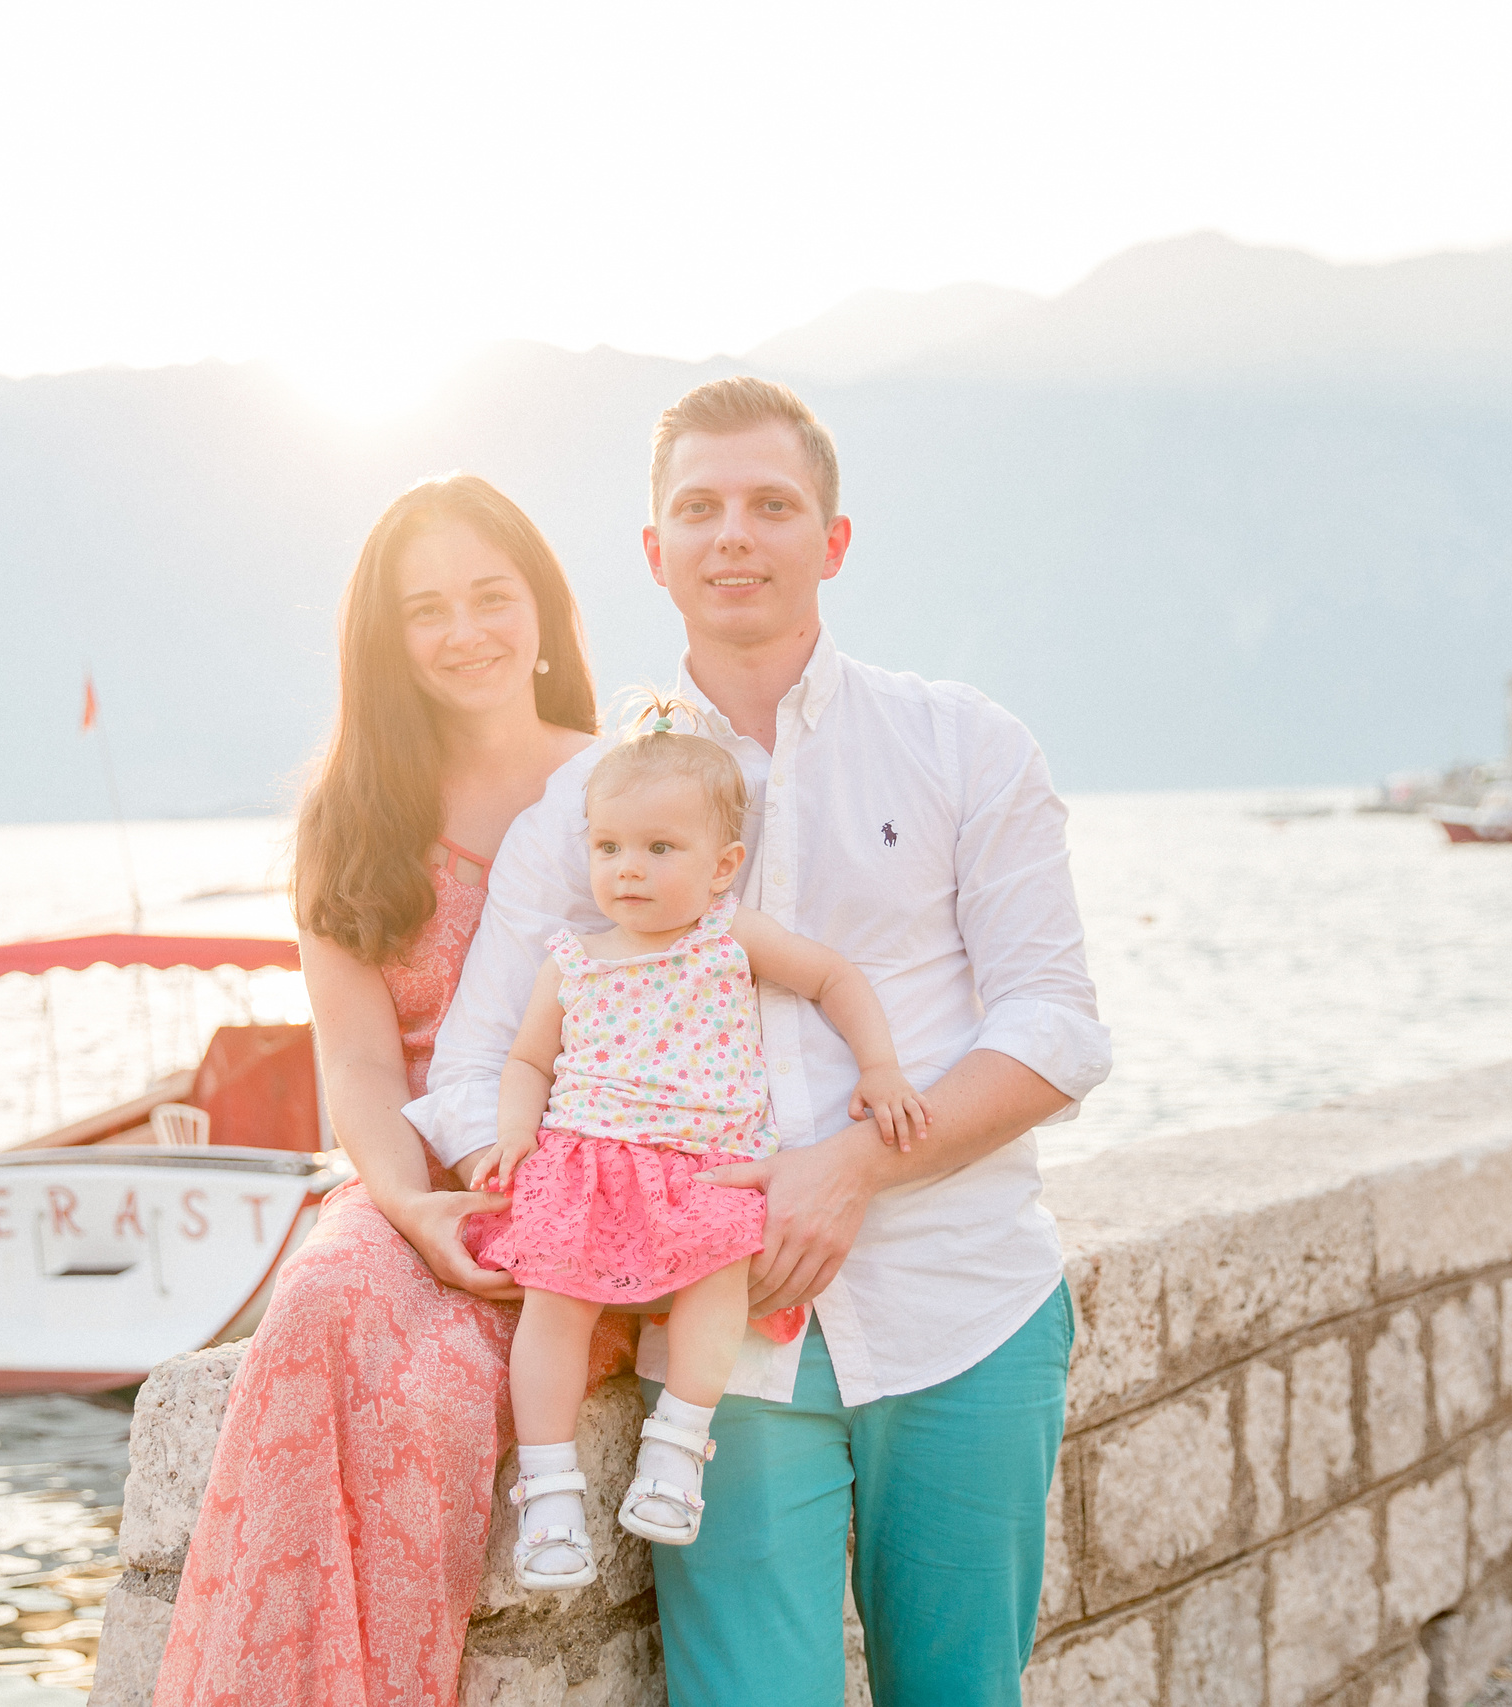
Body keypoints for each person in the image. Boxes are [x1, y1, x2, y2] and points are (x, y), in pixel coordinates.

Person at [409, 378, 1112, 1706]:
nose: (733, 533)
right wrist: (600, 1214)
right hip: (718, 1356)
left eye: (772, 505)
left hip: (965, 1302)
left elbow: (1056, 1023)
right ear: (654, 550)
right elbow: (472, 1068)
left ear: (832, 539)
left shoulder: (963, 743)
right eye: (700, 508)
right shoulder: (584, 809)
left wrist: (852, 1169)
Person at [139, 474, 634, 1707]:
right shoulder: (351, 819)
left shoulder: (621, 787)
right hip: (412, 1177)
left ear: (540, 607)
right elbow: (358, 1062)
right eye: (426, 610)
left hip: (591, 1180)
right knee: (314, 1315)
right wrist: (414, 1210)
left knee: (435, 1396)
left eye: (489, 595)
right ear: (386, 640)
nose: (464, 631)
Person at [465, 698, 929, 1592]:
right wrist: (515, 1130)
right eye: (609, 847)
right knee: (553, 1305)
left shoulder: (727, 937)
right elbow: (528, 1058)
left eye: (659, 848)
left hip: (703, 1167)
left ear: (723, 867)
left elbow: (833, 976)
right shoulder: (575, 958)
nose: (628, 869)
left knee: (718, 1285)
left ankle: (677, 1446)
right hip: (586, 1162)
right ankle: (550, 1488)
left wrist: (880, 1066)